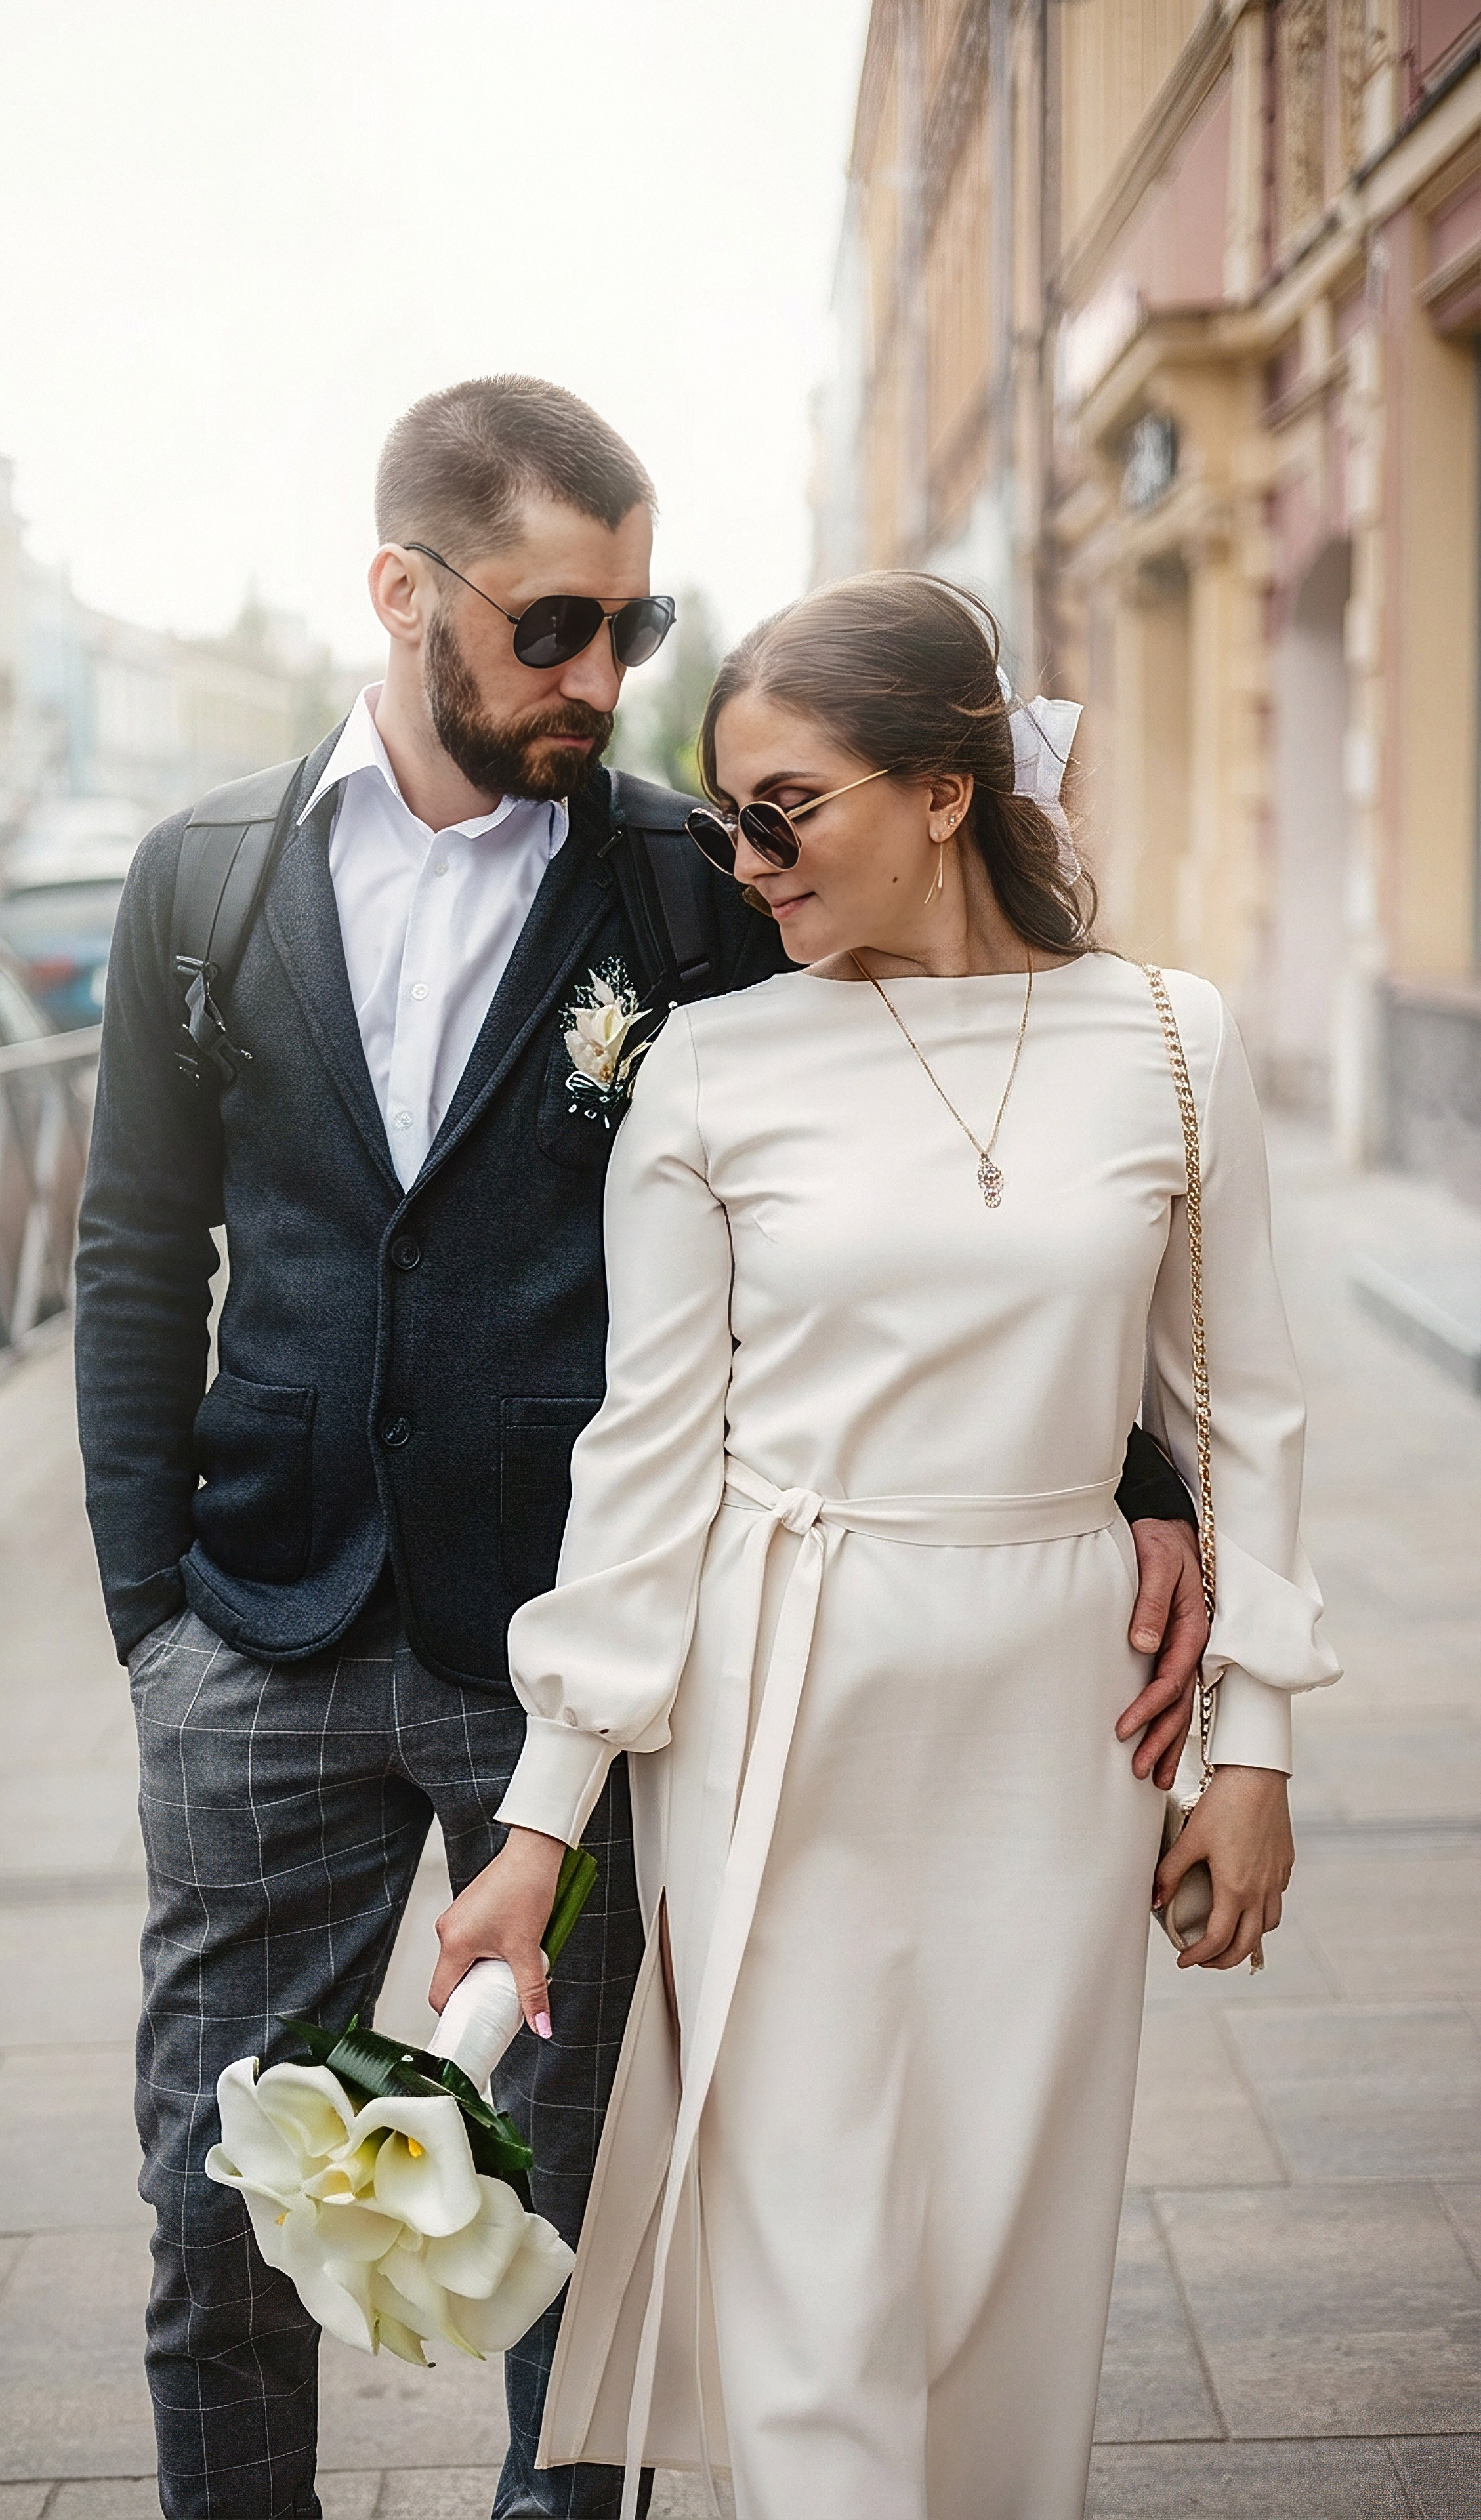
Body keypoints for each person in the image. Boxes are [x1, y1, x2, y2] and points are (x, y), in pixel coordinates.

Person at [74, 376, 1205, 2520]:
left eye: (638, 624)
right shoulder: (200, 881)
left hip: (594, 1665)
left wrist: (1135, 1474)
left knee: (584, 2226)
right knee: (211, 2213)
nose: (604, 676)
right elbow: (136, 1258)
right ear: (402, 592)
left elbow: (944, 1174)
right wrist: (158, 1632)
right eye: (557, 626)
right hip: (263, 1639)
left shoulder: (697, 880)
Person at [433, 573, 1340, 2520]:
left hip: (1061, 1718)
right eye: (728, 816)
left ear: (946, 791)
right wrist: (540, 1825)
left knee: (1015, 2244)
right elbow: (646, 1467)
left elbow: (1242, 1409)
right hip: (782, 1697)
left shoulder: (1174, 1043)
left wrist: (1251, 1742)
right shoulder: (714, 1065)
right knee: (814, 2258)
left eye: (785, 807)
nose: (744, 860)